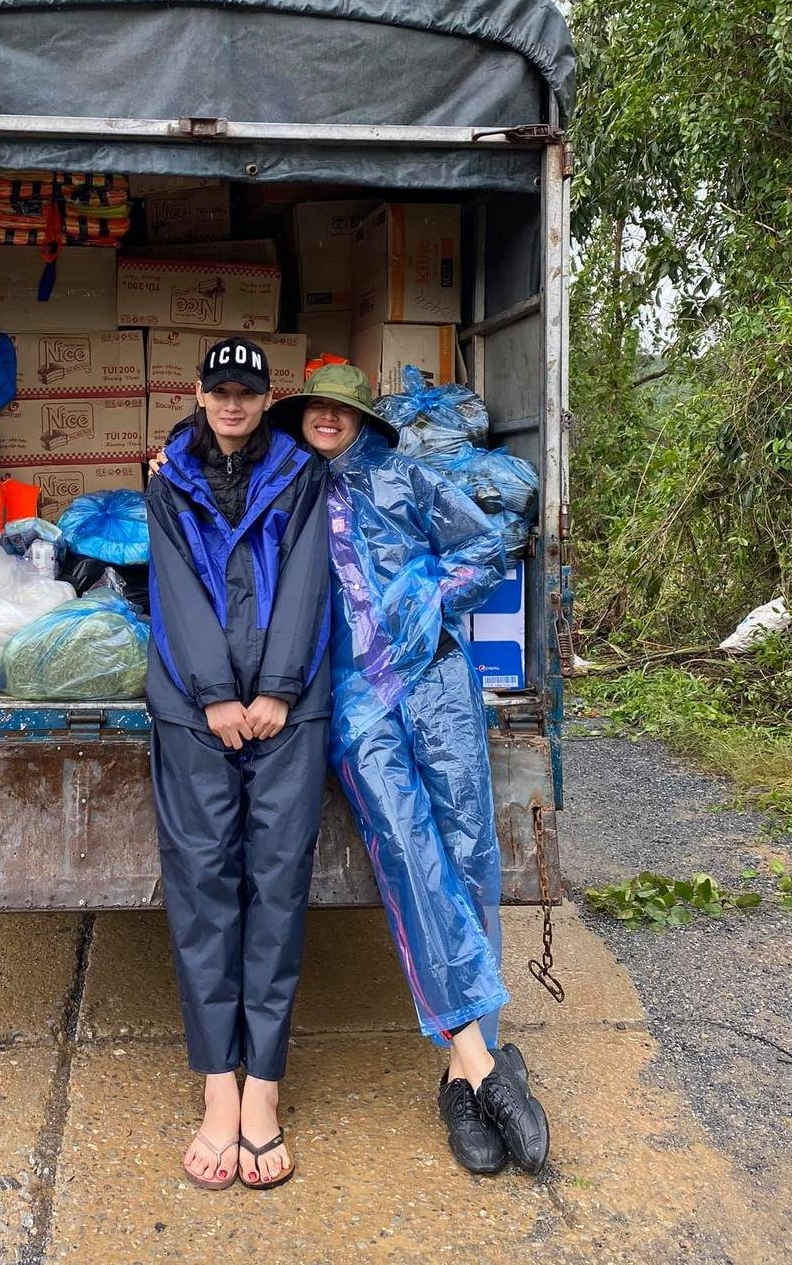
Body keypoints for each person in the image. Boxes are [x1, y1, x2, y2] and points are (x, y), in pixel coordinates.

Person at [270, 362, 551, 1178]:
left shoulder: (407, 477)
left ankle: (461, 1075)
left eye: (342, 409)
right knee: (407, 849)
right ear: (302, 417)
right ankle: (485, 1068)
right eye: (316, 408)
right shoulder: (288, 490)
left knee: (467, 848)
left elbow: (485, 549)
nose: (327, 419)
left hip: (431, 677)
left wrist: (428, 599)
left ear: (364, 417)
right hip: (353, 697)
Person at [146, 337, 331, 1192]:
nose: (231, 404)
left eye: (246, 393)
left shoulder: (301, 474)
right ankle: (219, 1088)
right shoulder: (168, 478)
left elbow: (307, 581)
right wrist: (217, 692)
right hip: (195, 708)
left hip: (288, 709)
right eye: (218, 390)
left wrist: (281, 689)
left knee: (278, 887)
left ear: (266, 400)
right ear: (198, 393)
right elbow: (175, 592)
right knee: (204, 889)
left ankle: (266, 1087)